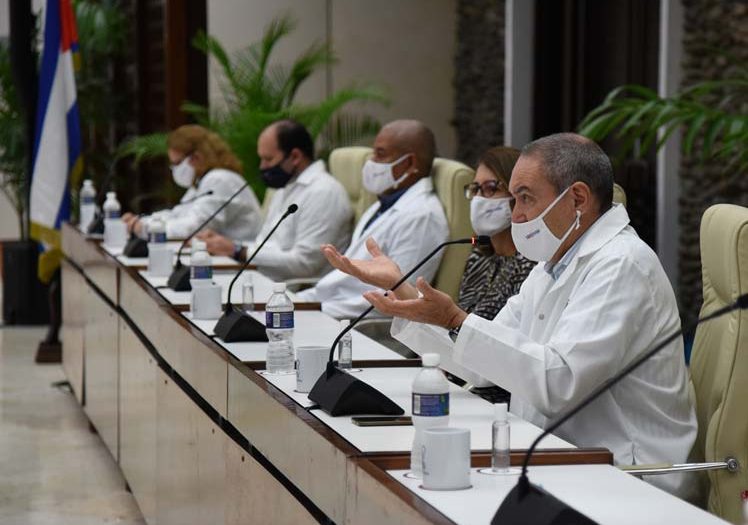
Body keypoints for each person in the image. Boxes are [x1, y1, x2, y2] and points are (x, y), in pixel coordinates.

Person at [329, 133, 697, 498]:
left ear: (578, 199)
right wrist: (403, 288)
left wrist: (456, 320)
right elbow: (481, 361)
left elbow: (559, 382)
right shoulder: (553, 262)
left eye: (525, 197)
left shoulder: (622, 264)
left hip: (625, 476)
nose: (515, 214)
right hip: (556, 455)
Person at [296, 119, 449, 319]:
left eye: (380, 154)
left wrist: (312, 310)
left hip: (360, 326)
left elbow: (396, 298)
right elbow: (342, 286)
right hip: (331, 311)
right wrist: (295, 303)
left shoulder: (422, 217)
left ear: (410, 163)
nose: (371, 162)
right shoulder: (383, 204)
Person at [198, 119, 353, 281]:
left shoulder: (323, 192)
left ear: (295, 156)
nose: (262, 167)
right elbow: (264, 245)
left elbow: (305, 264)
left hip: (294, 289)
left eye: (268, 159)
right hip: (260, 279)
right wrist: (223, 244)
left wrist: (238, 251)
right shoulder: (285, 187)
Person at [122, 125, 262, 240]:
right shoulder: (202, 181)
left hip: (238, 260)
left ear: (196, 157)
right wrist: (143, 221)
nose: (173, 169)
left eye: (177, 163)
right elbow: (179, 214)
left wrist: (146, 229)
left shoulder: (219, 180)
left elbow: (195, 227)